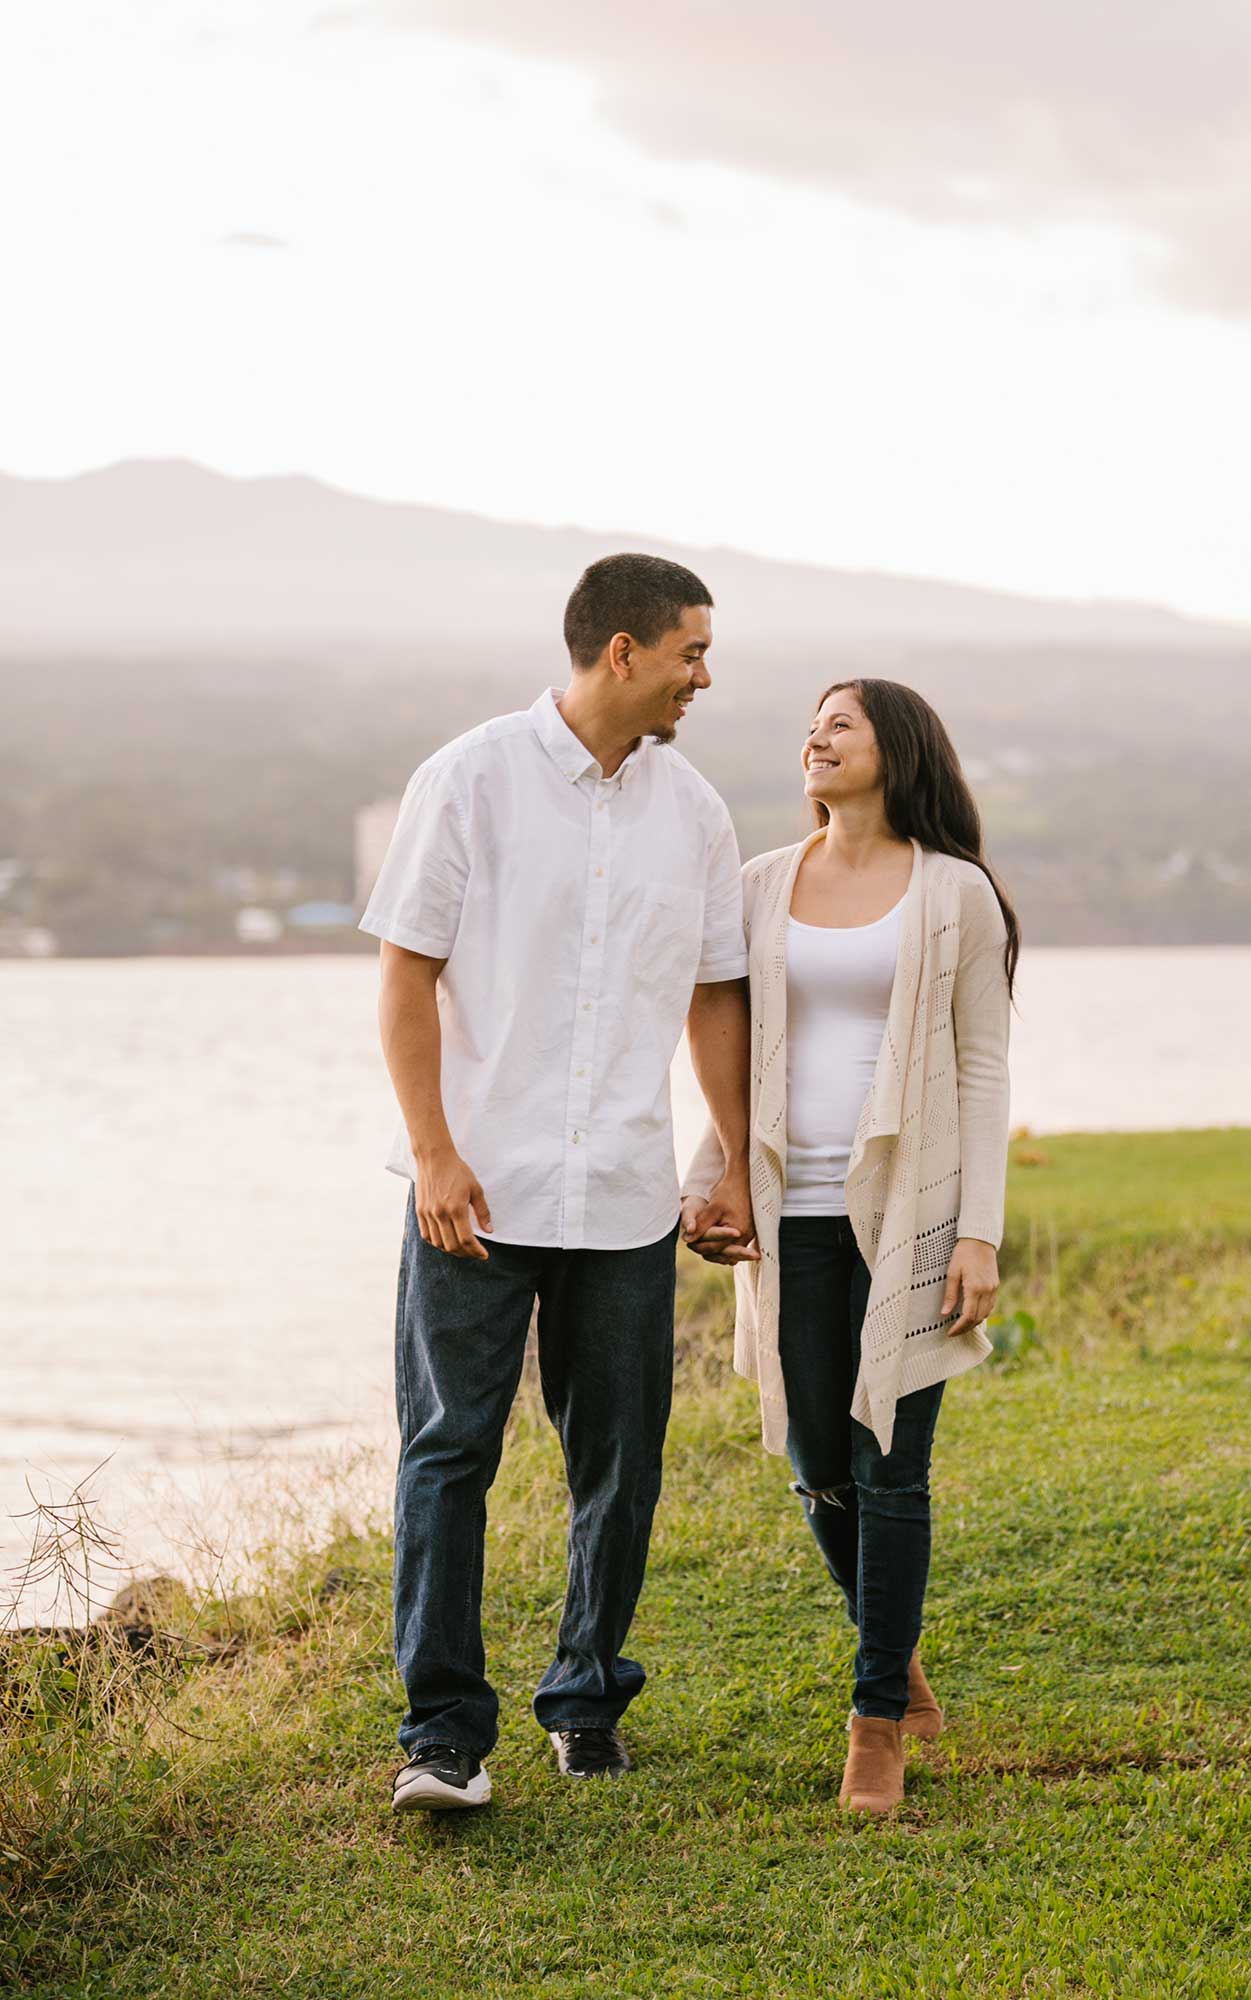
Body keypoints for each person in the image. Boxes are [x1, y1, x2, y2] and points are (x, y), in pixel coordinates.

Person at [359, 554, 753, 1812]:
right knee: (446, 1454)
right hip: (472, 1193)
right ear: (622, 650)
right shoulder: (468, 777)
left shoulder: (694, 811)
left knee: (621, 1465)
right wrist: (432, 1149)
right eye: (692, 649)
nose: (706, 673)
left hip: (627, 1194)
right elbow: (406, 976)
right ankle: (441, 1735)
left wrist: (731, 1155)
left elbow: (712, 997)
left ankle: (584, 1702)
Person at [682, 677, 1017, 1816]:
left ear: (898, 748)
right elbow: (724, 1040)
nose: (815, 736)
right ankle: (901, 1654)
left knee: (893, 1460)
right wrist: (714, 1170)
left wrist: (978, 1230)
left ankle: (876, 1719)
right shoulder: (758, 885)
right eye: (812, 722)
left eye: (842, 721)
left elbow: (981, 1069)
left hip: (910, 1211)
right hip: (793, 1208)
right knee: (815, 1456)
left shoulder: (954, 893)